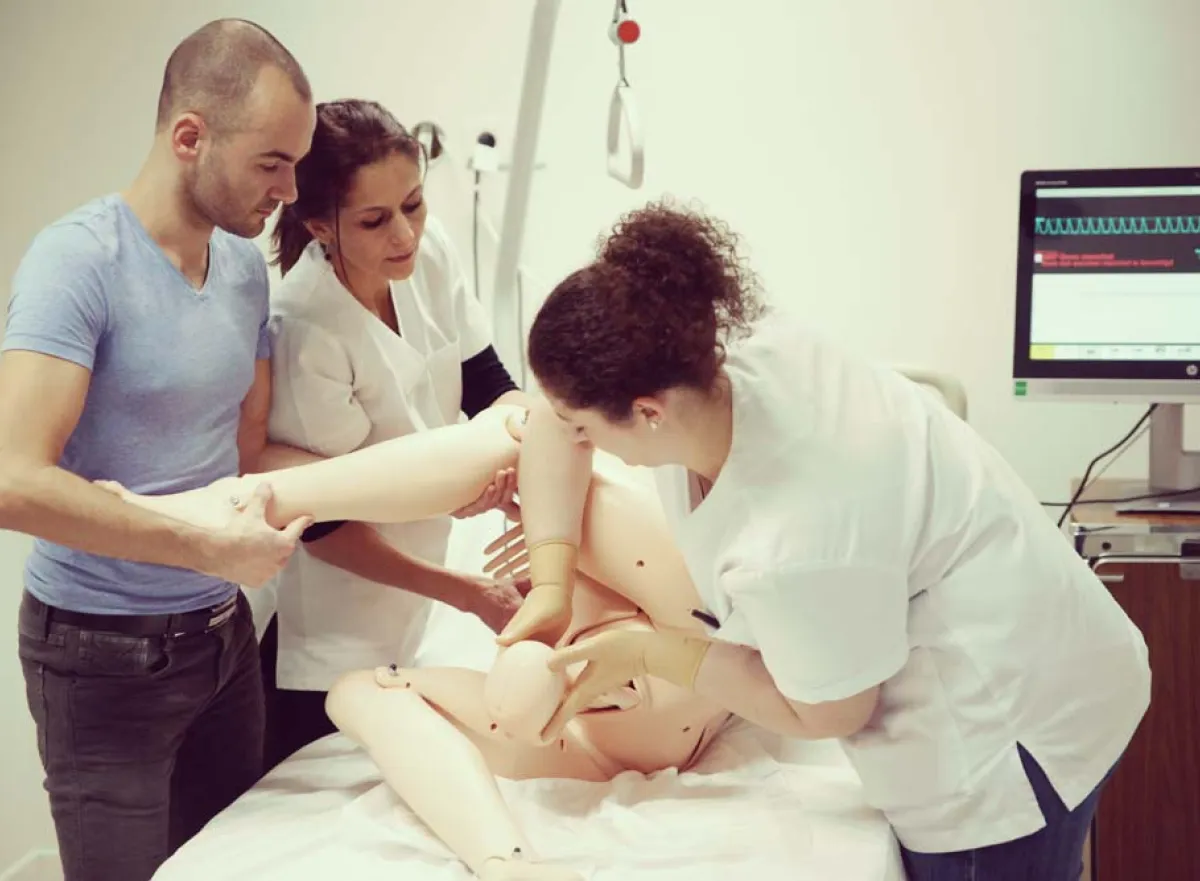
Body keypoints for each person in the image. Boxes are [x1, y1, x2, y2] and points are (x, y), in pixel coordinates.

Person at [494, 200, 1153, 881]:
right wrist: (550, 581)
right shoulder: (700, 351)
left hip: (1007, 733)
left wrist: (652, 652)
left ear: (648, 412)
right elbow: (553, 418)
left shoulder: (793, 538)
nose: (575, 438)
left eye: (585, 428)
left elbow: (830, 711)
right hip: (1029, 613)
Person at [100, 404, 734, 881]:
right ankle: (507, 862)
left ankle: (237, 500)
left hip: (655, 676)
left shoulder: (642, 528)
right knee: (360, 692)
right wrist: (546, 542)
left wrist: (549, 544)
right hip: (610, 737)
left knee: (515, 429)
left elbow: (538, 420)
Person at [0, 20, 316, 881]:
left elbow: (246, 453)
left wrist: (428, 475)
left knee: (228, 868)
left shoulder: (244, 270)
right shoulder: (77, 263)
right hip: (100, 657)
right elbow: (12, 480)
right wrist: (206, 548)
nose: (289, 190)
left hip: (223, 642)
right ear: (189, 137)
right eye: (272, 162)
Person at [254, 97, 529, 770]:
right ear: (320, 225)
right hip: (333, 638)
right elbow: (323, 525)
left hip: (418, 612)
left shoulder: (428, 257)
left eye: (414, 204)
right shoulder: (305, 327)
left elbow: (491, 386)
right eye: (374, 220)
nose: (405, 234)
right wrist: (467, 591)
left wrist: (512, 460)